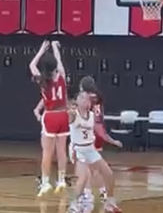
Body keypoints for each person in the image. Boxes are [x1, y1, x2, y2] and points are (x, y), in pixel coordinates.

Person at [65, 91, 122, 213]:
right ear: (77, 101)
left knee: (109, 173)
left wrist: (113, 141)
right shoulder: (73, 114)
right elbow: (64, 109)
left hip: (90, 149)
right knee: (83, 177)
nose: (85, 100)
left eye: (87, 99)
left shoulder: (91, 116)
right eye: (82, 98)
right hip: (78, 150)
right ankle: (73, 205)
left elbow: (101, 132)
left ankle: (110, 202)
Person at [29, 40, 69, 196]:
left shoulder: (42, 80)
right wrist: (54, 47)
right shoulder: (62, 77)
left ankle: (45, 182)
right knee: (61, 151)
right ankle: (61, 179)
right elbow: (59, 62)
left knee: (47, 152)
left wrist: (40, 51)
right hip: (63, 114)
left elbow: (31, 65)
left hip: (50, 115)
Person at [78, 75, 122, 203]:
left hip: (88, 134)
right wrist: (108, 138)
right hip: (98, 135)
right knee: (95, 168)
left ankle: (87, 193)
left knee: (86, 167)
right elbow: (99, 121)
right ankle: (103, 192)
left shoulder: (85, 99)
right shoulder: (98, 98)